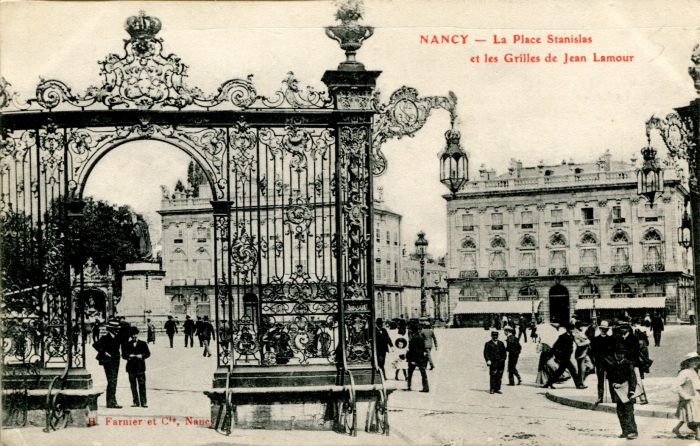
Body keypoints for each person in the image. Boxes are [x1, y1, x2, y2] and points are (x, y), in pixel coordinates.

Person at [606, 337, 639, 440]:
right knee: (620, 412)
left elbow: (633, 379)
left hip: (628, 391)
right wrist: (613, 384)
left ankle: (633, 431)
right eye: (617, 353)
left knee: (629, 412)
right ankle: (625, 431)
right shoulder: (613, 364)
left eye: (621, 353)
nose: (619, 355)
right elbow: (610, 377)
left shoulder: (628, 364)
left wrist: (632, 391)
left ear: (624, 354)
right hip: (618, 392)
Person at [542, 323, 587, 389]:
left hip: (567, 356)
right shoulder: (562, 337)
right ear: (568, 329)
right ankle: (579, 385)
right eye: (572, 329)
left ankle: (548, 383)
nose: (573, 330)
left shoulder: (571, 336)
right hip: (563, 356)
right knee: (573, 370)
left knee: (559, 372)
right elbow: (555, 345)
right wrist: (551, 354)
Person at [93, 320, 122, 408]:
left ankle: (111, 401)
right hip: (108, 362)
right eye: (116, 329)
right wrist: (104, 352)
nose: (117, 330)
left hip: (116, 362)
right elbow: (95, 345)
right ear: (112, 329)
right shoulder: (105, 338)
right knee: (111, 381)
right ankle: (111, 402)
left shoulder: (117, 337)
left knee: (113, 381)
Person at [672, 352, 700, 439]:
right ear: (688, 362)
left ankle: (676, 428)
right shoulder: (684, 372)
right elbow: (675, 386)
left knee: (688, 416)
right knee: (696, 417)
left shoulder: (695, 372)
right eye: (693, 361)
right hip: (690, 398)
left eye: (697, 360)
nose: (696, 362)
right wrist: (685, 395)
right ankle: (699, 434)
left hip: (696, 397)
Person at [121, 326, 151, 408]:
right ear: (130, 335)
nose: (134, 336)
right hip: (131, 368)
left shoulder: (143, 343)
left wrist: (141, 356)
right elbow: (123, 355)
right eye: (132, 335)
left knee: (142, 384)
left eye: (135, 334)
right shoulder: (126, 344)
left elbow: (148, 353)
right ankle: (135, 401)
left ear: (137, 334)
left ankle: (143, 402)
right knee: (133, 385)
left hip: (140, 367)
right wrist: (129, 356)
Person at [591, 320, 613, 403]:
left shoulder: (610, 339)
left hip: (609, 363)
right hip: (599, 363)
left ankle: (613, 397)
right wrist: (596, 358)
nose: (604, 330)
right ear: (600, 329)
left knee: (611, 380)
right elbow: (592, 352)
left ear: (607, 330)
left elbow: (612, 351)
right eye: (602, 328)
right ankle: (600, 397)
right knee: (600, 381)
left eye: (605, 329)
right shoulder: (596, 339)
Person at [406, 323, 429, 392]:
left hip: (414, 358)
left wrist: (412, 360)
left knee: (410, 373)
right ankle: (426, 387)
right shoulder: (420, 337)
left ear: (412, 330)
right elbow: (422, 348)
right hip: (421, 358)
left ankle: (409, 386)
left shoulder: (414, 338)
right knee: (423, 373)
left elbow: (413, 350)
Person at [484, 329, 507, 394]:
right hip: (493, 362)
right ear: (491, 336)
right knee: (493, 375)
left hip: (501, 362)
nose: (495, 337)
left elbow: (504, 353)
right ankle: (492, 389)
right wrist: (488, 360)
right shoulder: (488, 344)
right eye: (494, 336)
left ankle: (497, 388)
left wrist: (503, 359)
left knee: (499, 376)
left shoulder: (501, 343)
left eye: (496, 335)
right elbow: (486, 353)